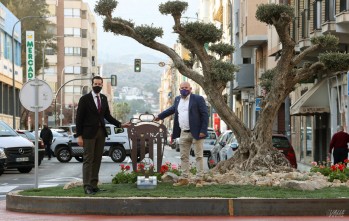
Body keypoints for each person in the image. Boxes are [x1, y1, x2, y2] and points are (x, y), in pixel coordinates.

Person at [76, 76, 130, 195]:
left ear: (101, 85)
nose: (98, 86)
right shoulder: (84, 99)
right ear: (92, 84)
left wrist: (120, 124)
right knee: (88, 159)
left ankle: (94, 184)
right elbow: (79, 118)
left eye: (100, 84)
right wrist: (79, 136)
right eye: (95, 83)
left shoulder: (104, 98)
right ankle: (87, 186)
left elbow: (107, 116)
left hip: (101, 133)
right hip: (88, 134)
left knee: (98, 159)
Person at [155, 81, 208, 187]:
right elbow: (171, 110)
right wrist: (160, 116)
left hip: (197, 133)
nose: (184, 89)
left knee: (198, 156)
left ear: (190, 88)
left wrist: (203, 130)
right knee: (184, 156)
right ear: (179, 89)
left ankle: (199, 180)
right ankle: (184, 178)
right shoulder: (178, 99)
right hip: (183, 132)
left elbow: (205, 115)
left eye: (186, 88)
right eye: (182, 88)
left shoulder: (198, 99)